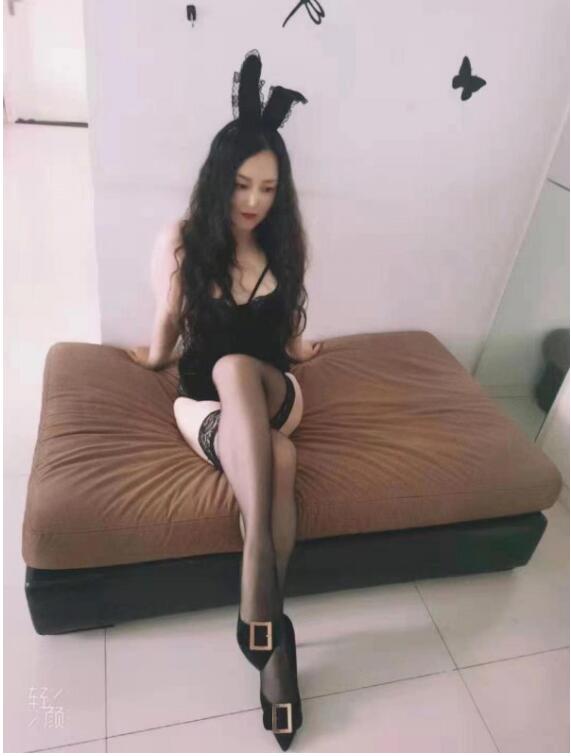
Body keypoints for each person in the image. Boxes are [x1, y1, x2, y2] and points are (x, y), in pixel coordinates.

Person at [125, 50, 321, 750]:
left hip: (272, 390)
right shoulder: (184, 243)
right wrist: (153, 358)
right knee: (282, 459)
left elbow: (287, 333)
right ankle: (276, 640)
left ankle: (253, 565)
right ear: (218, 180)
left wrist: (302, 352)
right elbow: (168, 320)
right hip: (203, 406)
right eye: (241, 185)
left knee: (242, 366)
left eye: (268, 188)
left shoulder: (286, 242)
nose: (253, 201)